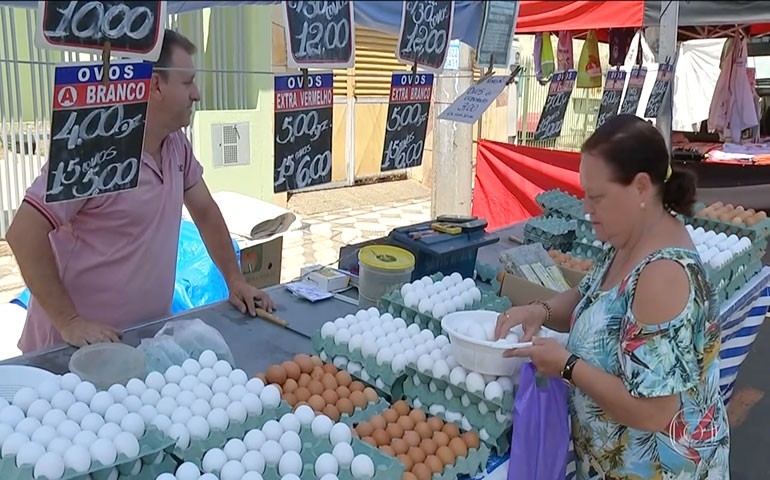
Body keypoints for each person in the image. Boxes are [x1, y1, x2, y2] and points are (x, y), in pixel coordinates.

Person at [7, 29, 274, 354]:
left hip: (138, 343)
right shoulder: (94, 147)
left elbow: (205, 211)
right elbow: (24, 232)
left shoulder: (177, 145)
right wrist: (69, 321)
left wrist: (235, 280)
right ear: (156, 85)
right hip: (69, 351)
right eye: (188, 82)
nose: (197, 94)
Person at [495, 114, 729, 479]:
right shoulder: (627, 239)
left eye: (598, 196)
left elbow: (654, 411)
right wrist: (539, 310)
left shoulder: (663, 276)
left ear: (639, 188)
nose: (587, 207)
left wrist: (567, 365)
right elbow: (589, 297)